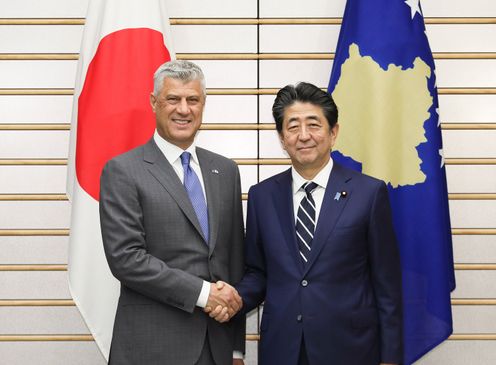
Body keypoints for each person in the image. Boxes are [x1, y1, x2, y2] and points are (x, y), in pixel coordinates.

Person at [210, 82, 403, 364]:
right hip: (283, 348)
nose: (303, 136)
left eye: (313, 125)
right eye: (292, 126)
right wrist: (232, 298)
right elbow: (259, 272)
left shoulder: (370, 193)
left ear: (333, 132)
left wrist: (390, 359)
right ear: (281, 137)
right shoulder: (262, 196)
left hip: (351, 349)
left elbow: (387, 286)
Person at [100, 60, 245, 365]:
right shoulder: (123, 170)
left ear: (203, 104)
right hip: (151, 348)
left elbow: (233, 261)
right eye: (173, 99)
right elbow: (126, 259)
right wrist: (204, 294)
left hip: (216, 347)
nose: (183, 109)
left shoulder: (226, 170)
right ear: (154, 103)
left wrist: (236, 349)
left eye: (192, 100)